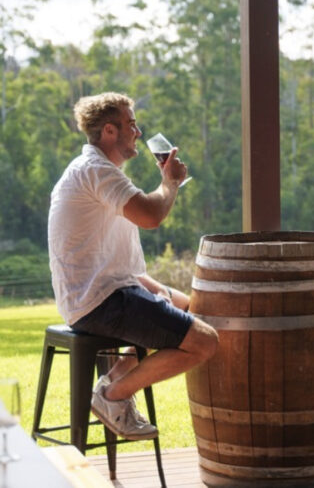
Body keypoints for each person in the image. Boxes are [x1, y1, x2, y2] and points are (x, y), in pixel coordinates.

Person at [48, 92, 219, 440]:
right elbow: (151, 215)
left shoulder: (99, 170)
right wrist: (170, 182)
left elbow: (119, 260)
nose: (138, 132)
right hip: (98, 300)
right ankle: (113, 396)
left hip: (112, 288)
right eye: (131, 124)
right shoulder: (96, 171)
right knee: (204, 342)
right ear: (109, 131)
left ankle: (114, 381)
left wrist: (164, 294)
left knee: (194, 307)